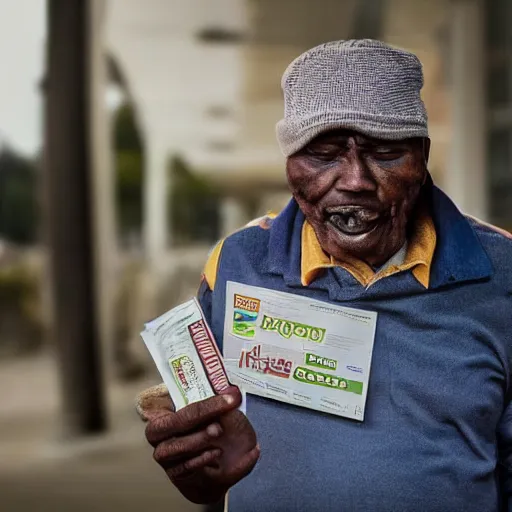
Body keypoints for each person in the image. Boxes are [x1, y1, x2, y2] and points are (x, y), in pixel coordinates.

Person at [136, 40, 512, 511]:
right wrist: (204, 483)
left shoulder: (503, 275)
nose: (355, 178)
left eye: (386, 151)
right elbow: (210, 446)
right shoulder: (237, 264)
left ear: (422, 156)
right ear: (290, 164)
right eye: (323, 153)